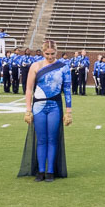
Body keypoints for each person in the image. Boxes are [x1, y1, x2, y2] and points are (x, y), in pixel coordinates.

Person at [19, 39, 73, 181]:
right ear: (43, 52)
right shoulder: (35, 66)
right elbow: (29, 89)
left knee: (52, 138)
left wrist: (69, 111)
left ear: (57, 52)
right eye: (47, 53)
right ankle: (40, 171)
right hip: (38, 107)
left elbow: (67, 90)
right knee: (41, 139)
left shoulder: (63, 67)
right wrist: (27, 109)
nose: (50, 56)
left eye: (53, 53)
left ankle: (50, 171)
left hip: (55, 105)